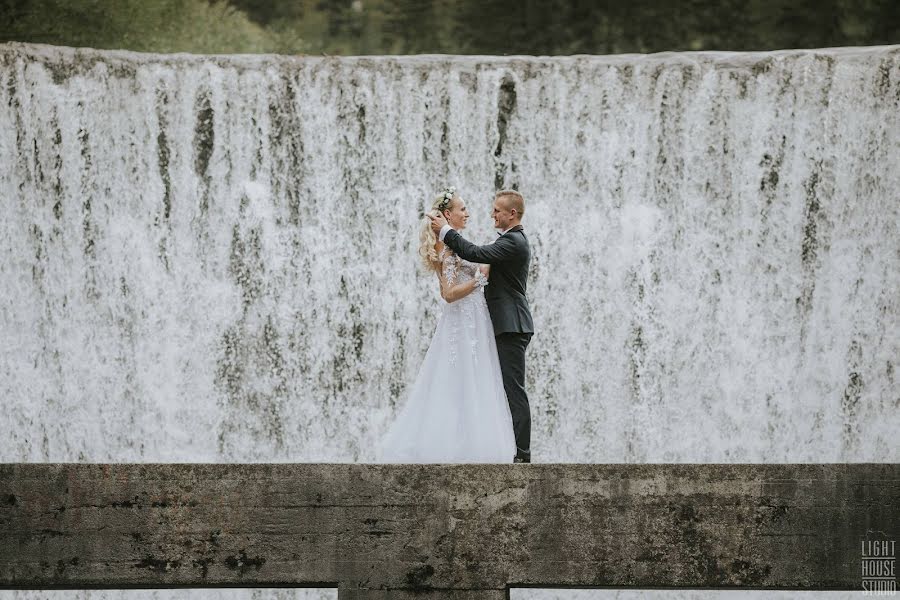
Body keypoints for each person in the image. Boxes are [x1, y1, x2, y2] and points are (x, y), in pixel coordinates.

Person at [376, 187, 516, 463]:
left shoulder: (457, 243)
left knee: (475, 377)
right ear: (447, 215)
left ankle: (472, 445)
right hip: (461, 321)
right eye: (462, 209)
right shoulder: (446, 248)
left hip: (475, 319)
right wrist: (480, 278)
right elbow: (449, 293)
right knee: (458, 378)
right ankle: (455, 446)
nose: (467, 213)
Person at [429, 189, 534, 463]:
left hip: (511, 325)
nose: (491, 214)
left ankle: (522, 455)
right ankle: (507, 449)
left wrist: (446, 231)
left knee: (513, 389)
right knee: (497, 386)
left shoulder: (514, 241)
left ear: (512, 213)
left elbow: (474, 252)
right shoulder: (509, 241)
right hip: (496, 324)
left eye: (497, 210)